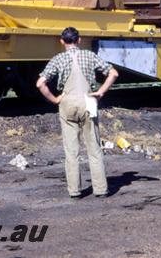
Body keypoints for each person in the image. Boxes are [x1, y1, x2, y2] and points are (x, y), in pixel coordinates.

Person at [36, 27, 119, 199]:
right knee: (94, 148)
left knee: (71, 151)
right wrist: (101, 91)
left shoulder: (58, 59)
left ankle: (74, 191)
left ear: (61, 41)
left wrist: (55, 99)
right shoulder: (89, 56)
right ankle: (101, 189)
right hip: (88, 101)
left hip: (67, 103)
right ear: (79, 40)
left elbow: (40, 84)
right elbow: (113, 73)